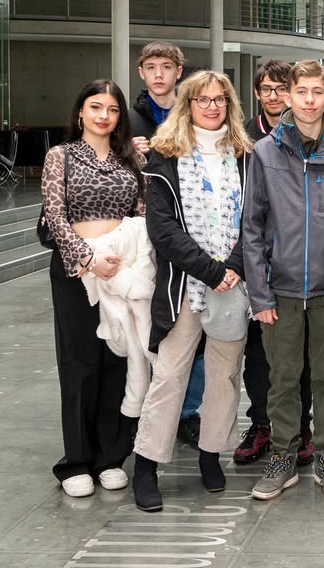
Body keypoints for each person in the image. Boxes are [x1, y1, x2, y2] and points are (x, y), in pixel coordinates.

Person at [243, 60, 324, 500]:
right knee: (282, 378)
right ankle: (282, 457)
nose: (309, 100)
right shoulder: (265, 152)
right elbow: (252, 227)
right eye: (301, 92)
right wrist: (259, 295)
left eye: (317, 92)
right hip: (279, 289)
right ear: (289, 97)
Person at [131, 71, 253, 512]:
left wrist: (233, 266)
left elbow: (257, 220)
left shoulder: (246, 156)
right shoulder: (164, 156)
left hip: (233, 285)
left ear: (229, 105)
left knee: (224, 375)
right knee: (169, 376)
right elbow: (162, 229)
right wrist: (210, 270)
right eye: (202, 99)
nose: (212, 107)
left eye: (220, 100)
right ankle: (146, 466)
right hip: (183, 285)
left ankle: (210, 454)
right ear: (187, 105)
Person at [42, 79, 146, 498]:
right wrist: (88, 259)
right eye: (96, 107)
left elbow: (141, 214)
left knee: (118, 358)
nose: (104, 115)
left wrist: (126, 261)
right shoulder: (60, 156)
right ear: (80, 112)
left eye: (113, 109)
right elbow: (54, 216)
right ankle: (77, 461)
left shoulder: (131, 159)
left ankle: (111, 457)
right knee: (79, 362)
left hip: (122, 268)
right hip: (77, 271)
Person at [233, 60, 315, 467]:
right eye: (266, 89)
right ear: (257, 93)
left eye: (282, 89)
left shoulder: (309, 135)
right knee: (258, 353)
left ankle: (301, 427)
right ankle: (262, 423)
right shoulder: (241, 136)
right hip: (251, 258)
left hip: (294, 260)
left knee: (300, 352)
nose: (274, 96)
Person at [128, 40, 205, 449]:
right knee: (151, 327)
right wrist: (128, 152)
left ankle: (187, 413)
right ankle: (143, 409)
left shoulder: (195, 112)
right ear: (142, 72)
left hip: (190, 234)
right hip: (143, 235)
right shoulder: (128, 119)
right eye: (151, 67)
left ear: (179, 71)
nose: (159, 74)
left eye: (166, 67)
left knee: (196, 330)